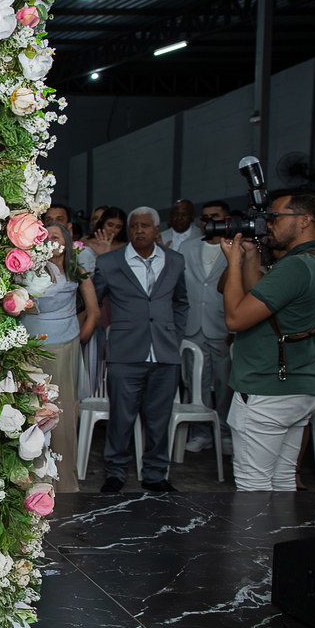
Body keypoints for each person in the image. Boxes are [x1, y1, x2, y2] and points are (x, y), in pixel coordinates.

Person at [220, 188, 315, 492]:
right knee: (281, 481)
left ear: (304, 220)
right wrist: (252, 255)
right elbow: (265, 301)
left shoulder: (295, 266)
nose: (268, 224)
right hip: (302, 386)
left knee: (253, 487)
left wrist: (233, 263)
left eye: (276, 217)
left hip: (268, 389)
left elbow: (235, 318)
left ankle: (257, 530)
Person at [92, 207, 189, 493]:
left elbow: (181, 302)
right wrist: (101, 340)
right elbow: (92, 303)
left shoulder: (175, 260)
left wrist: (174, 335)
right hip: (124, 353)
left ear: (157, 229)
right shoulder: (109, 262)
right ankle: (115, 473)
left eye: (145, 225)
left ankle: (156, 474)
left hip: (165, 353)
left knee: (159, 419)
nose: (139, 231)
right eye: (134, 226)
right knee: (121, 418)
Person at [23, 224, 100, 492]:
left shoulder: (78, 271)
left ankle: (64, 481)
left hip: (65, 348)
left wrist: (78, 339)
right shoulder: (28, 270)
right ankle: (30, 481)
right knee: (31, 412)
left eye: (55, 236)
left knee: (63, 412)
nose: (49, 241)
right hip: (31, 349)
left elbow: (94, 311)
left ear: (65, 243)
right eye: (44, 237)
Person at [179, 200, 232, 455]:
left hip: (223, 325)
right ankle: (201, 434)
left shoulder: (236, 247)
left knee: (225, 384)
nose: (210, 220)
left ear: (227, 219)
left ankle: (224, 433)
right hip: (193, 325)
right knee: (197, 383)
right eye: (206, 217)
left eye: (216, 216)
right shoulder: (187, 247)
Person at [44, 203, 96, 273]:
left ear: (69, 227)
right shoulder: (35, 255)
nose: (54, 224)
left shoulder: (84, 254)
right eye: (49, 220)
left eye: (59, 219)